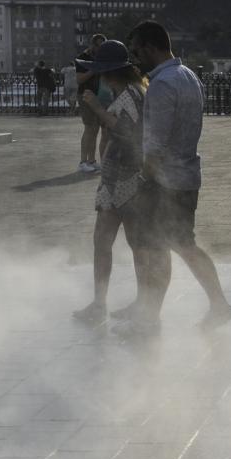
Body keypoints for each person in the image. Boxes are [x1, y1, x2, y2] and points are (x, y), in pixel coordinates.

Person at [119, 21, 231, 336]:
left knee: (157, 249)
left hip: (164, 181)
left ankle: (149, 319)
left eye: (137, 51)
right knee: (180, 244)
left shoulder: (161, 85)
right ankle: (215, 305)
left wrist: (144, 180)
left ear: (151, 47)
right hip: (187, 175)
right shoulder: (189, 77)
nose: (136, 58)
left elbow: (155, 143)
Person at [72, 41, 150, 327]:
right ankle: (104, 303)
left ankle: (112, 303)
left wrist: (95, 106)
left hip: (125, 178)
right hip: (118, 176)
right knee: (112, 242)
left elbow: (125, 130)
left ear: (108, 72)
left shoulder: (129, 94)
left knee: (127, 243)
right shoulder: (133, 91)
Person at [76, 33, 108, 174]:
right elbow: (79, 79)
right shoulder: (83, 57)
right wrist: (93, 69)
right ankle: (83, 162)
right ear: (92, 45)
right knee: (89, 128)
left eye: (103, 45)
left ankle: (91, 161)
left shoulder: (103, 58)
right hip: (86, 95)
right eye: (98, 45)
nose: (100, 48)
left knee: (95, 129)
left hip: (99, 96)